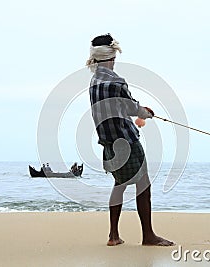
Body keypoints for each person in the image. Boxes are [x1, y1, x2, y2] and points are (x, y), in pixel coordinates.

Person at [87, 34, 174, 246]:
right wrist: (145, 113)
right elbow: (132, 108)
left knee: (119, 183)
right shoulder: (116, 82)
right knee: (143, 185)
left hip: (108, 145)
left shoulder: (93, 82)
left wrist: (138, 112)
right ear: (111, 56)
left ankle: (113, 236)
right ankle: (148, 236)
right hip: (127, 141)